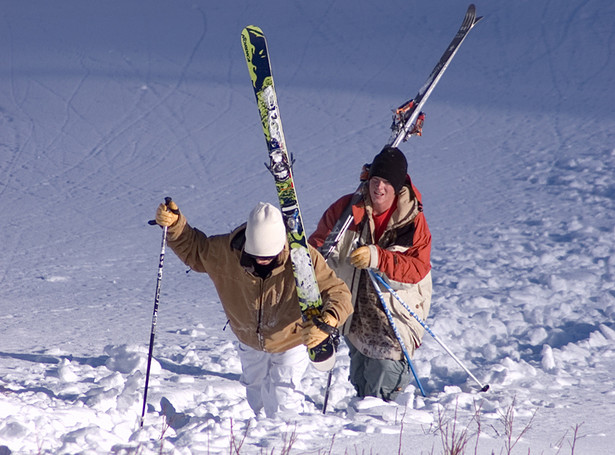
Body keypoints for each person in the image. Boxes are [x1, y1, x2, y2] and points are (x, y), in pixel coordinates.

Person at [154, 200, 352, 418]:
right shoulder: (226, 251)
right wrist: (174, 226)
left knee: (283, 401)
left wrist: (328, 322)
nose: (263, 261)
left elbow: (338, 293)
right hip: (248, 339)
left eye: (269, 256)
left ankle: (284, 440)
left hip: (291, 339)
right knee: (256, 397)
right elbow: (195, 249)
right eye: (257, 255)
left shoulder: (303, 257)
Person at [308, 146, 432, 402]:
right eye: (376, 179)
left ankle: (385, 432)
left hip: (395, 315)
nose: (380, 188)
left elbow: (418, 269)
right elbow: (317, 249)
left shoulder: (412, 220)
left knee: (383, 383)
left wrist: (378, 258)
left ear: (398, 186)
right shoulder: (345, 210)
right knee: (362, 378)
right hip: (356, 311)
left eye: (387, 182)